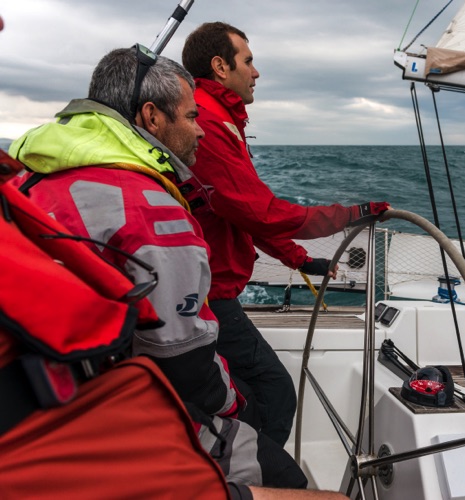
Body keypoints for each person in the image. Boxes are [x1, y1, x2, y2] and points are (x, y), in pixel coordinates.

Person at [10, 46, 306, 490]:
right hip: (108, 415)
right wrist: (237, 405)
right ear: (152, 117)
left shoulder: (28, 179)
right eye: (190, 117)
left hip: (39, 397)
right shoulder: (151, 211)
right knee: (290, 479)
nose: (200, 132)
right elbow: (183, 367)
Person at [181, 21, 389, 446]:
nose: (256, 72)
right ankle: (260, 479)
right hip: (209, 294)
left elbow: (241, 213)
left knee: (243, 394)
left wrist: (299, 259)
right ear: (221, 66)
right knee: (275, 392)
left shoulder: (218, 117)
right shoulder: (208, 121)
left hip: (205, 288)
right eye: (249, 61)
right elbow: (262, 211)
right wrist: (353, 213)